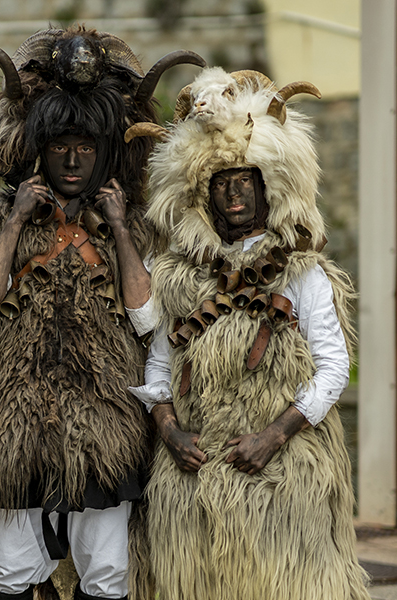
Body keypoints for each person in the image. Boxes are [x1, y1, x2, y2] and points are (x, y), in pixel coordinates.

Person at [0, 28, 203, 600]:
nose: (73, 159)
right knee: (7, 568)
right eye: (61, 145)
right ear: (39, 148)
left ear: (105, 151)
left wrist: (119, 228)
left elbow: (146, 317)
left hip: (104, 425)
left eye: (86, 147)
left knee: (108, 571)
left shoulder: (137, 224)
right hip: (6, 424)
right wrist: (17, 220)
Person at [127, 67, 370, 600]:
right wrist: (169, 432)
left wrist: (273, 436)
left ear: (266, 186)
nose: (233, 193)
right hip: (193, 478)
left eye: (244, 180)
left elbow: (333, 368)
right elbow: (160, 364)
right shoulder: (177, 277)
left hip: (284, 475)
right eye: (220, 183)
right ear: (202, 193)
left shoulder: (302, 273)